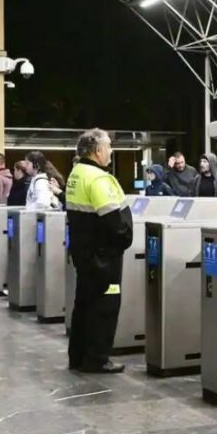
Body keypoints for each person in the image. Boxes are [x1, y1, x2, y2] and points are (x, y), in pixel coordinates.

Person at [65, 129, 133, 374]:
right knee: (105, 305)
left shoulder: (77, 173)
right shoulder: (98, 178)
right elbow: (113, 220)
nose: (111, 151)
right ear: (97, 151)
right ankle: (97, 358)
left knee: (83, 303)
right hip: (104, 256)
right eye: (109, 147)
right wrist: (124, 239)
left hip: (84, 253)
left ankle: (78, 355)